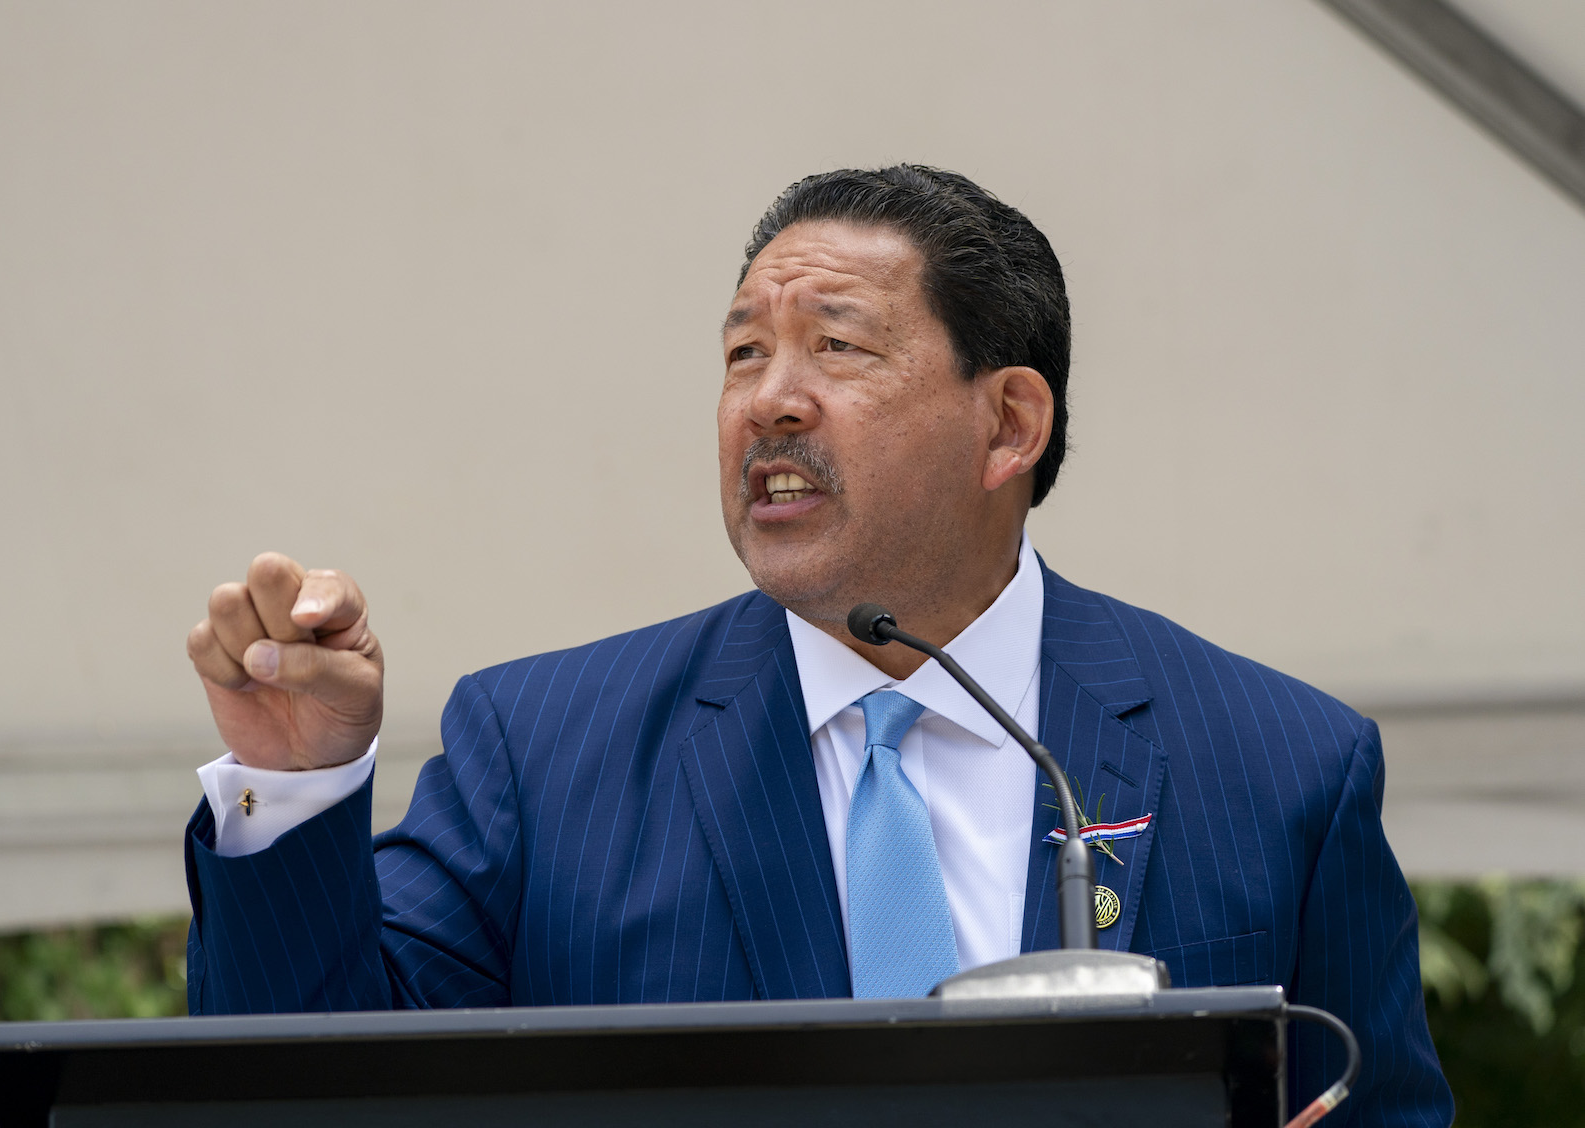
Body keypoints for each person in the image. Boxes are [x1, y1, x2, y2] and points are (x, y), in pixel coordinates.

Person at [183, 165, 1451, 1124]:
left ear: (1008, 422)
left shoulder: (1281, 765)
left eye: (835, 347)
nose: (768, 401)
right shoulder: (543, 751)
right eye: (743, 354)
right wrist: (297, 785)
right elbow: (310, 1097)